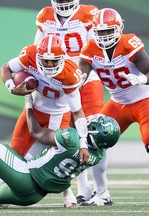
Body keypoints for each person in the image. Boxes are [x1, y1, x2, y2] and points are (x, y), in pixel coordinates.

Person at [78, 8, 149, 206]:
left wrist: (140, 78)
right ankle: (101, 193)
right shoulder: (90, 49)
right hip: (118, 102)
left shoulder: (128, 43)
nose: (104, 36)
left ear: (119, 28)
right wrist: (75, 81)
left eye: (108, 31)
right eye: (100, 32)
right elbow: (81, 75)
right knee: (94, 140)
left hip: (145, 97)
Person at [0, 34, 90, 207]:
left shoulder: (70, 75)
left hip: (58, 114)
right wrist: (11, 88)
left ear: (62, 58)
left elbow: (77, 112)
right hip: (34, 109)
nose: (49, 64)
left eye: (53, 61)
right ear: (38, 56)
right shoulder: (30, 55)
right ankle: (4, 190)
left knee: (58, 157)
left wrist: (83, 143)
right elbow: (4, 69)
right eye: (45, 60)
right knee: (14, 153)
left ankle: (67, 192)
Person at [34, 0, 104, 205]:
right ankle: (84, 187)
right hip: (60, 79)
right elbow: (36, 50)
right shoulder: (45, 16)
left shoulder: (88, 14)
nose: (63, 3)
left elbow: (94, 51)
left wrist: (80, 76)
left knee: (93, 133)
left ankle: (102, 190)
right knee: (72, 137)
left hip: (87, 78)